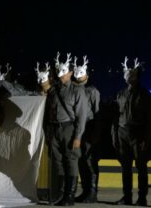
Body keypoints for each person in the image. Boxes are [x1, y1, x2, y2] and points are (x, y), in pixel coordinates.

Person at [44, 52, 87, 206]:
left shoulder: (77, 91)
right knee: (58, 162)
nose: (60, 75)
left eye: (64, 72)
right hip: (55, 130)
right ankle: (61, 194)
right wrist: (48, 133)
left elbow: (81, 116)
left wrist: (78, 137)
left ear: (70, 73)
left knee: (71, 161)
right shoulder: (54, 91)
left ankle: (69, 195)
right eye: (58, 71)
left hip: (69, 129)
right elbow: (48, 112)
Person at [112, 57, 151, 206]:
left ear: (137, 76)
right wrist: (115, 136)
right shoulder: (120, 94)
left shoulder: (144, 95)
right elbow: (116, 116)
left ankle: (142, 197)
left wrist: (146, 138)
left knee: (141, 167)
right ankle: (127, 197)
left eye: (132, 75)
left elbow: (150, 119)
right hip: (123, 133)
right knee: (126, 167)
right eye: (127, 74)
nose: (129, 77)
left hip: (138, 134)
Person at [72, 56, 101, 203]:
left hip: (89, 128)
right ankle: (85, 191)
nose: (78, 75)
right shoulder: (73, 90)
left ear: (87, 75)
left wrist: (96, 133)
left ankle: (92, 192)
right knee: (81, 161)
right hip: (77, 129)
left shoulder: (92, 91)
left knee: (90, 160)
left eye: (81, 73)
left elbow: (97, 113)